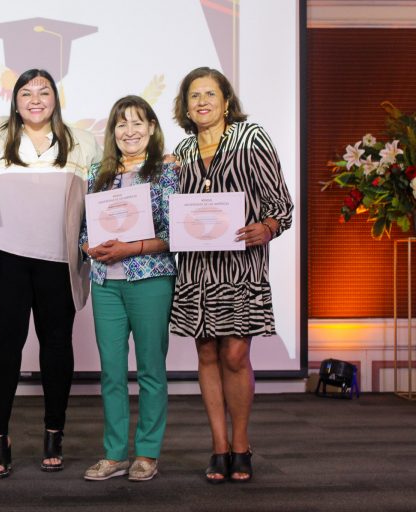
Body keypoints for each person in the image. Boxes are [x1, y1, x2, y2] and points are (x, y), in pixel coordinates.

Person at [170, 67, 294, 483]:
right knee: (206, 353)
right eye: (193, 96)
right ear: (185, 106)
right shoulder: (182, 152)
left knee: (236, 355)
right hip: (194, 269)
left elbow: (282, 203)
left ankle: (241, 445)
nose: (202, 102)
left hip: (239, 266)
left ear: (226, 101)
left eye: (210, 94)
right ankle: (219, 447)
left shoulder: (251, 137)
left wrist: (269, 225)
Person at [0, 68, 101, 478]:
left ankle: (55, 431)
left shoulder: (82, 140)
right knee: (3, 350)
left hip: (59, 259)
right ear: (14, 100)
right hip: (4, 258)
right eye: (26, 93)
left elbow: (106, 192)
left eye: (44, 92)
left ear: (56, 97)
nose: (35, 99)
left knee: (56, 347)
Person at [79, 95, 178, 482]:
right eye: (122, 124)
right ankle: (115, 453)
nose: (130, 131)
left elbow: (174, 233)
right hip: (106, 282)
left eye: (138, 123)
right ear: (112, 132)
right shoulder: (97, 173)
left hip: (150, 278)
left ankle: (148, 453)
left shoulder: (166, 171)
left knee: (151, 368)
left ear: (152, 128)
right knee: (112, 372)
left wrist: (130, 247)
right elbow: (85, 228)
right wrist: (85, 245)